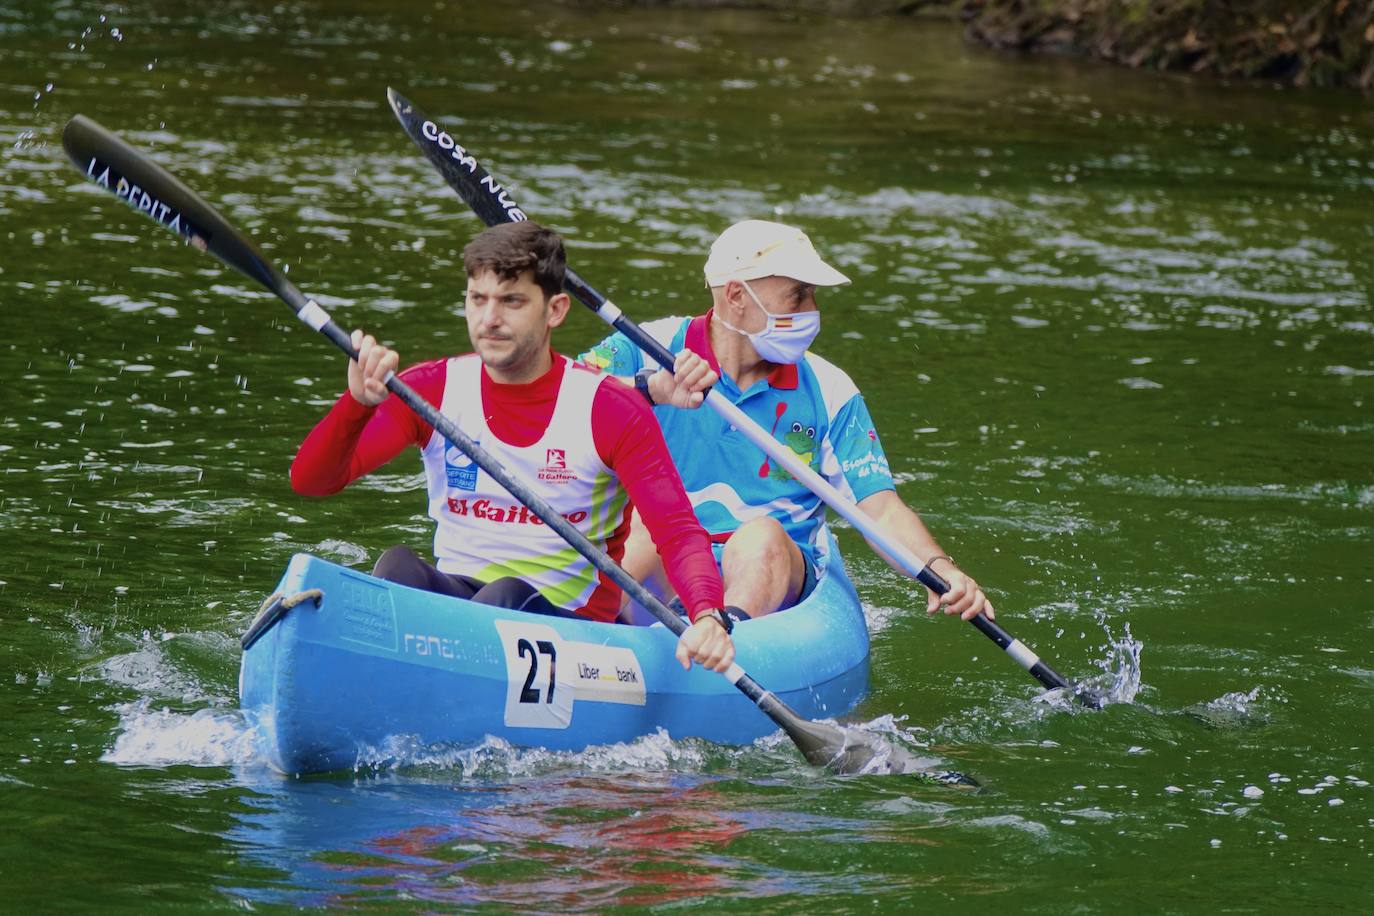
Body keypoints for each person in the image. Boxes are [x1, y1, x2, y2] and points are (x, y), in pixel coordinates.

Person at [290, 220, 735, 672]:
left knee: (505, 594)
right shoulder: (432, 389)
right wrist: (357, 403)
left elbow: (677, 531)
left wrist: (706, 615)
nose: (489, 320)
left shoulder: (610, 409)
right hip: (464, 603)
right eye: (477, 299)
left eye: (512, 301)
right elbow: (311, 481)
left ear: (555, 310)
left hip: (574, 627)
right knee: (399, 567)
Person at [581, 218, 994, 623]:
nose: (812, 312)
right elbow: (556, 396)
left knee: (761, 538)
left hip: (770, 578)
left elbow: (880, 510)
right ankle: (587, 627)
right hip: (660, 556)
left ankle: (726, 637)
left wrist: (941, 568)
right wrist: (650, 387)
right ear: (737, 296)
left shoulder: (831, 390)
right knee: (642, 526)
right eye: (798, 296)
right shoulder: (644, 349)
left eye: (813, 296)